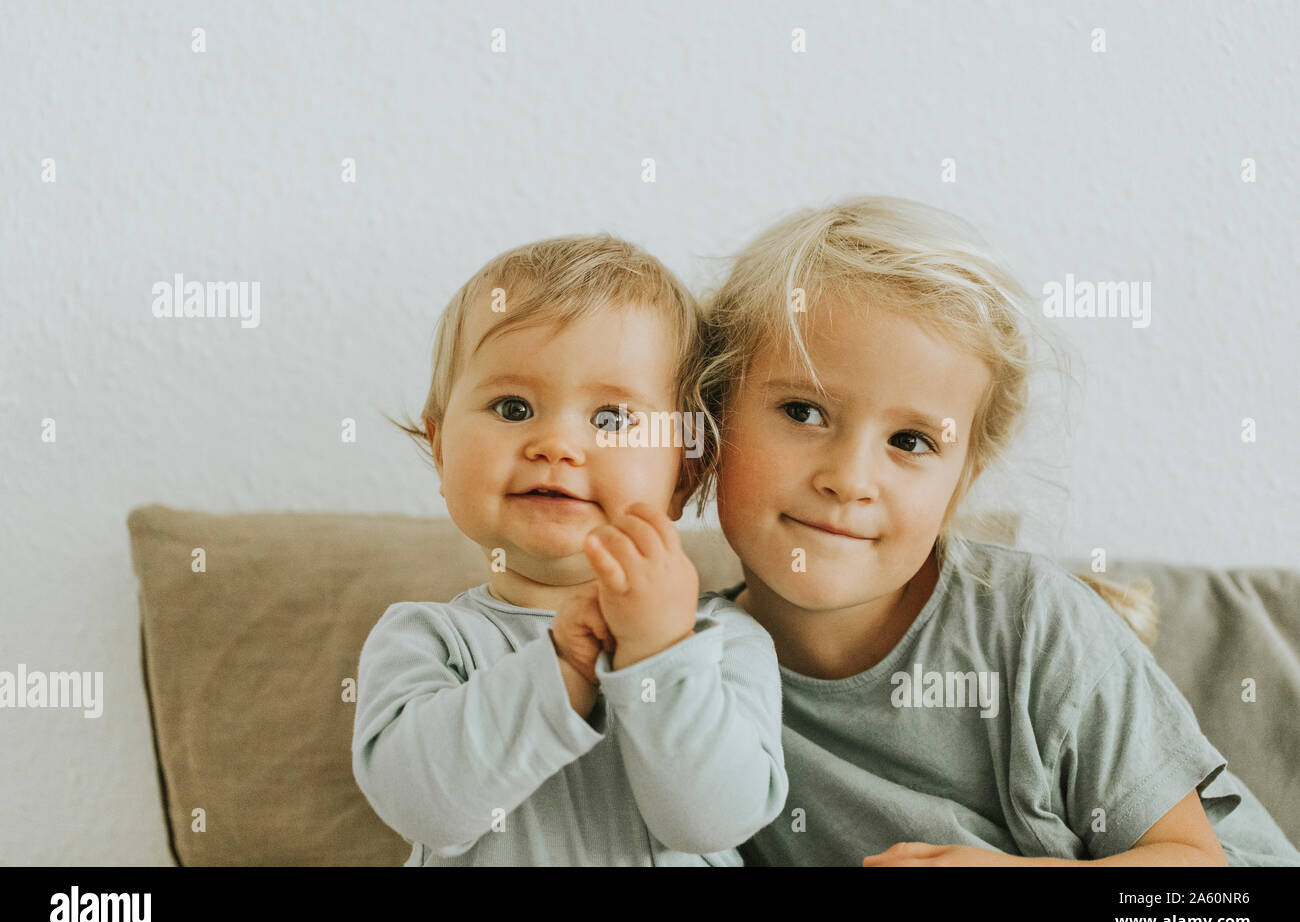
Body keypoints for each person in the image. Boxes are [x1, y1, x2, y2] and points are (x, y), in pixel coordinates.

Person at [691, 196, 1300, 866]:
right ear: (713, 419)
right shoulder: (680, 665)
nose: (849, 477)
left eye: (910, 441)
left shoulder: (1030, 625)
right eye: (802, 411)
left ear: (962, 484)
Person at [351, 235, 787, 865]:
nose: (555, 443)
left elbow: (711, 821)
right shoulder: (423, 640)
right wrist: (564, 667)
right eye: (513, 406)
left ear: (686, 471)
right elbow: (422, 807)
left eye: (610, 419)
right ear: (440, 447)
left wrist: (662, 654)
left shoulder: (723, 642)